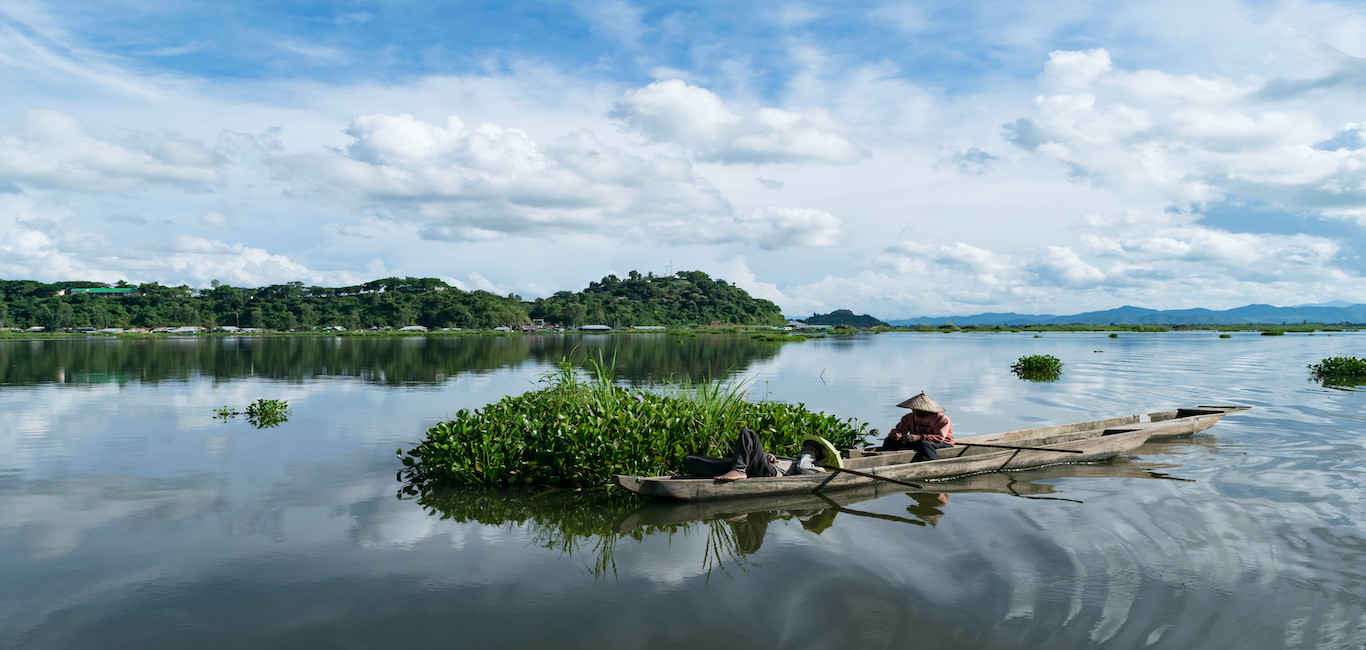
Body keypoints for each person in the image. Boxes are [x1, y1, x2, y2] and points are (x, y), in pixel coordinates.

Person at [684, 428, 842, 481]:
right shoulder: (796, 460)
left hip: (769, 475)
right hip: (760, 468)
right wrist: (770, 457)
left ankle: (739, 470)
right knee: (690, 460)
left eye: (809, 448)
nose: (804, 449)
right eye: (805, 447)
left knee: (749, 434)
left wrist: (808, 455)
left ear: (815, 453)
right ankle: (738, 470)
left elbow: (803, 470)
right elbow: (778, 463)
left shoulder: (817, 470)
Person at [879, 392, 954, 462]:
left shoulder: (941, 419)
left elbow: (939, 438)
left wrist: (918, 437)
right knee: (889, 440)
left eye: (919, 410)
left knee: (924, 444)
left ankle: (930, 462)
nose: (915, 411)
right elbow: (899, 430)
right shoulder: (909, 417)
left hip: (942, 443)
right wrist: (896, 434)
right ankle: (885, 459)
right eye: (914, 409)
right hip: (917, 442)